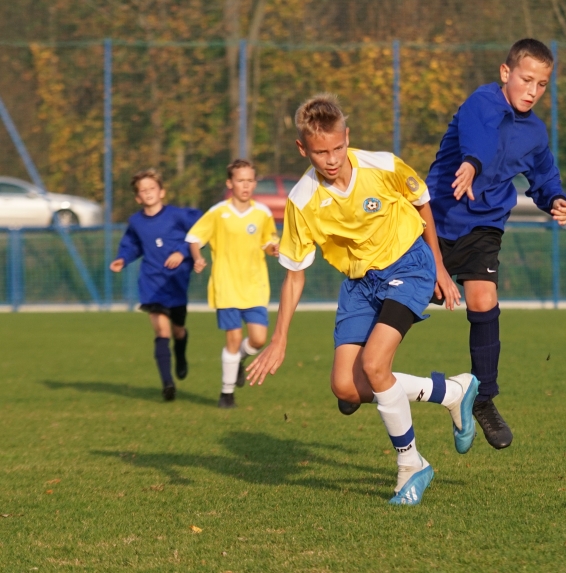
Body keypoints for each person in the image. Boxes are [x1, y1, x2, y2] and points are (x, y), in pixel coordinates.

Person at [246, 93, 479, 506]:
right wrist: (279, 339)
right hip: (358, 284)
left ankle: (411, 465)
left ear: (347, 137)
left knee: (374, 365)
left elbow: (423, 204)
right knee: (346, 387)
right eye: (320, 152)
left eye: (337, 147)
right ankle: (449, 393)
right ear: (303, 149)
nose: (331, 159)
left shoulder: (382, 166)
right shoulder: (302, 200)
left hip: (409, 266)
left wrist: (440, 268)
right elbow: (294, 275)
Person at [423, 38, 566, 449]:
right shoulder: (482, 101)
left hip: (484, 226)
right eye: (526, 79)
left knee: (484, 299)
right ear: (506, 73)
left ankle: (483, 399)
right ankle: (361, 366)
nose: (532, 90)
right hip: (434, 221)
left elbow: (543, 174)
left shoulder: (535, 132)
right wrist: (471, 163)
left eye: (542, 84)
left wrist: (555, 199)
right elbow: (481, 138)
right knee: (408, 303)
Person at [186, 159, 280, 408]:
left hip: (254, 285)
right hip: (226, 286)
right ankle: (226, 393)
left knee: (258, 339)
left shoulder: (262, 213)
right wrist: (197, 258)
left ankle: (238, 361)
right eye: (240, 180)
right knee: (233, 338)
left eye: (250, 180)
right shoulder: (218, 212)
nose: (245, 185)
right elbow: (195, 237)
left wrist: (275, 249)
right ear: (230, 183)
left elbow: (268, 241)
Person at [109, 169, 202, 401]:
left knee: (178, 330)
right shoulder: (136, 222)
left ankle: (180, 355)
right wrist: (123, 258)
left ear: (162, 192)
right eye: (143, 191)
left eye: (152, 188)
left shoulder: (178, 215)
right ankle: (167, 384)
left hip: (176, 281)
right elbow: (131, 245)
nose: (148, 193)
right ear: (138, 198)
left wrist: (183, 253)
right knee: (161, 330)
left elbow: (201, 229)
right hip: (152, 282)